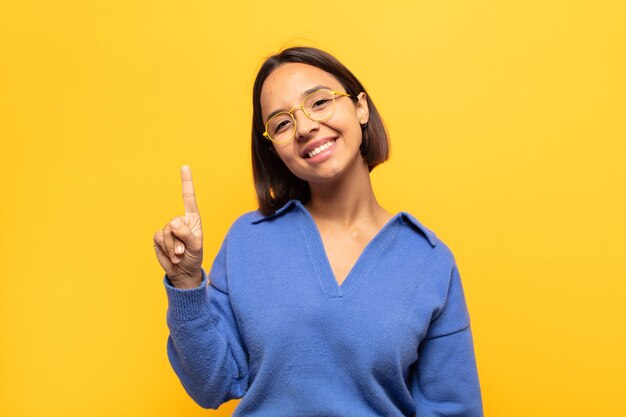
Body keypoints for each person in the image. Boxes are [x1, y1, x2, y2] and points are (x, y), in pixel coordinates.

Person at [153, 47, 483, 416]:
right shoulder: (248, 240)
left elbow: (453, 409)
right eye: (281, 123)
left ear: (361, 107)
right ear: (275, 150)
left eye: (320, 102)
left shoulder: (429, 261)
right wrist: (185, 281)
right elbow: (210, 385)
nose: (306, 127)